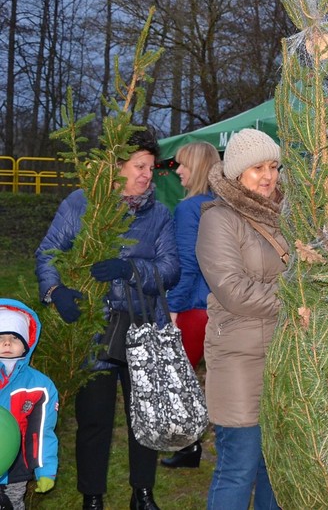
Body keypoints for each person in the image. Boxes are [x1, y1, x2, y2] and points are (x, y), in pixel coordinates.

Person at [36, 127, 178, 510]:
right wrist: (55, 290)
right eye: (139, 166)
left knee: (144, 416)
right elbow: (48, 252)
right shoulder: (81, 204)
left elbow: (170, 270)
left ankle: (142, 494)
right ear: (116, 166)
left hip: (143, 327)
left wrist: (130, 269)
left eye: (151, 168)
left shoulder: (159, 214)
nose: (147, 175)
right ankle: (93, 497)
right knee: (94, 419)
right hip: (94, 327)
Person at [196, 128, 286, 510]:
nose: (268, 176)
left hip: (283, 355)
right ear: (236, 173)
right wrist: (294, 299)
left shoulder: (284, 216)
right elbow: (233, 290)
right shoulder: (219, 220)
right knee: (239, 467)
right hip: (239, 357)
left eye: (273, 167)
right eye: (257, 169)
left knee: (276, 467)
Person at [160, 141, 220, 470]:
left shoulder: (189, 208)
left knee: (178, 378)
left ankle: (188, 447)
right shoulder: (222, 203)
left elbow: (187, 262)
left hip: (194, 308)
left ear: (197, 168)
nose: (178, 171)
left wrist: (172, 308)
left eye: (183, 165)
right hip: (221, 305)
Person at [0, 300, 58, 510]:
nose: (7, 344)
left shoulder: (39, 386)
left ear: (27, 343)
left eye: (15, 337)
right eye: (1, 338)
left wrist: (45, 469)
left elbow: (41, 431)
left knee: (13, 505)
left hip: (16, 468)